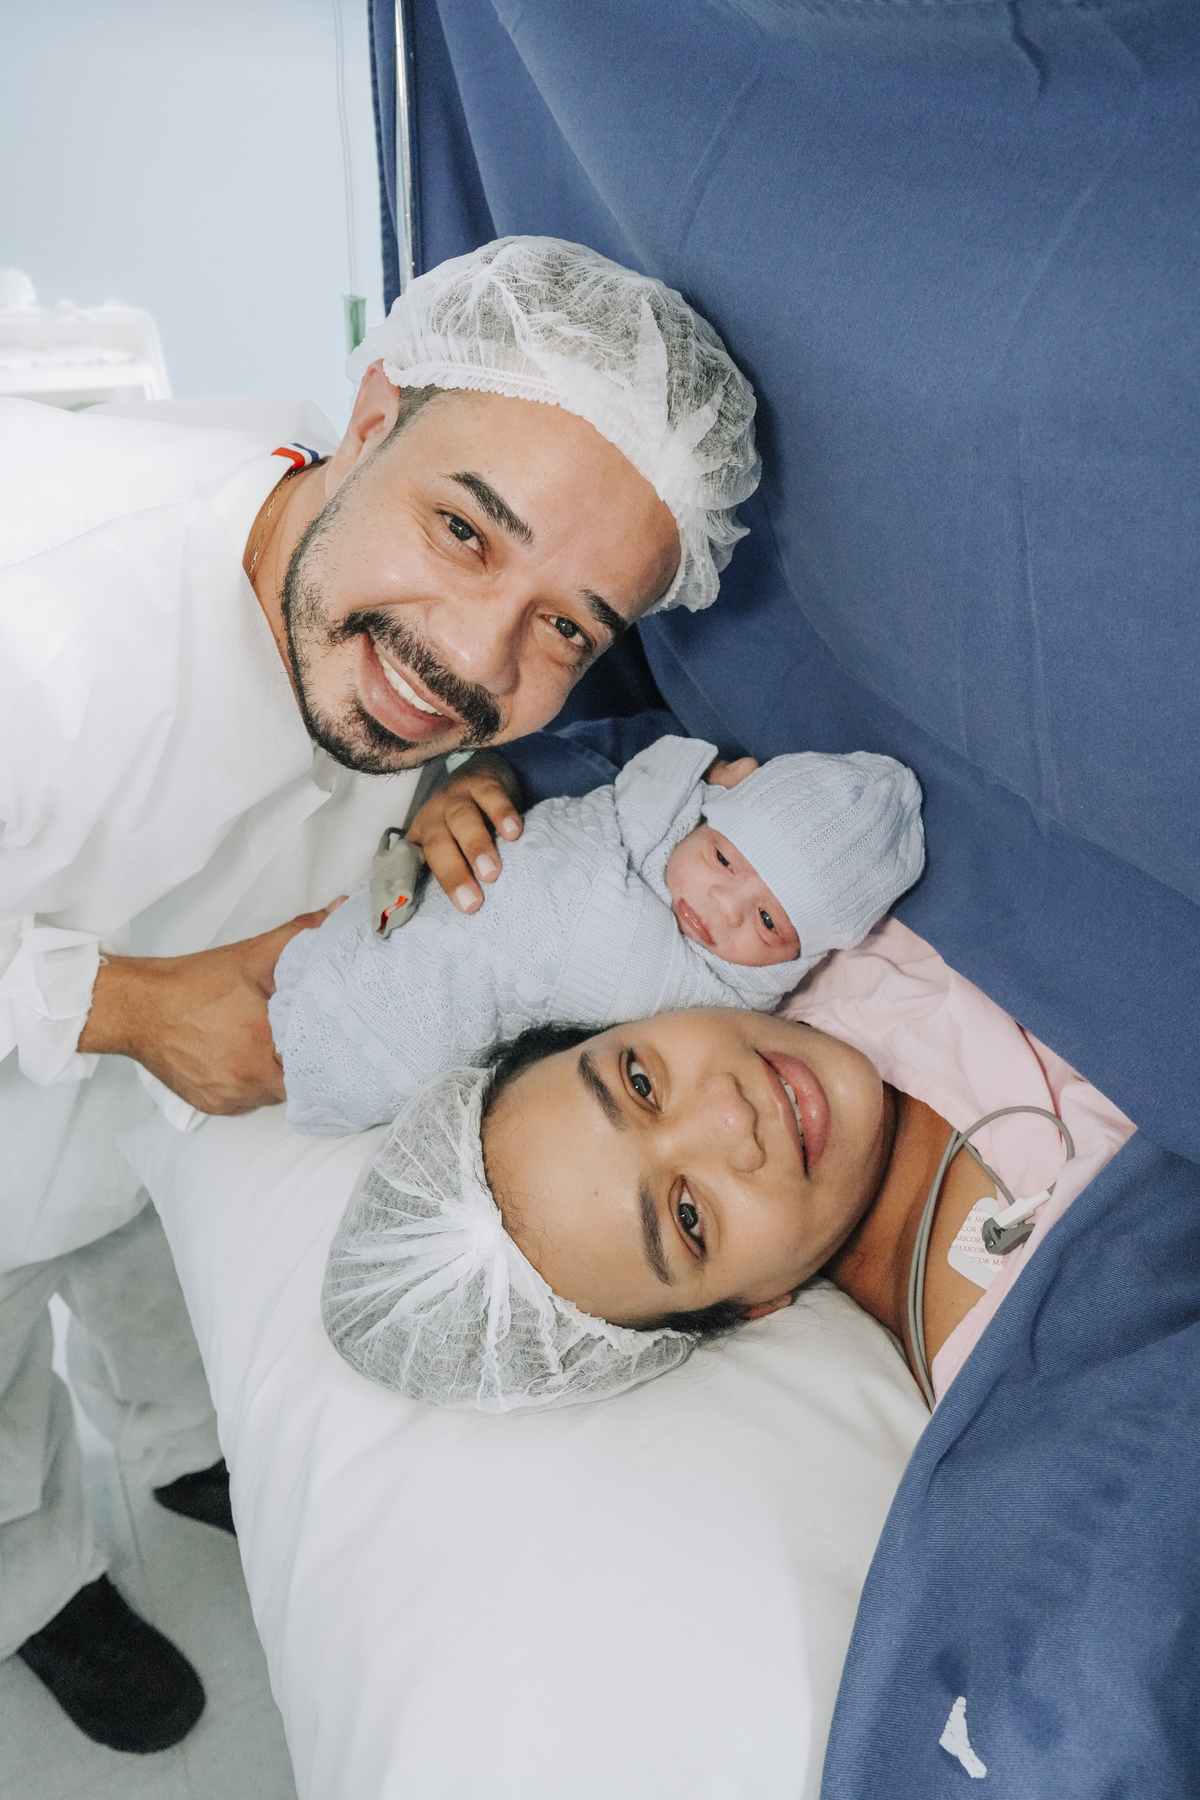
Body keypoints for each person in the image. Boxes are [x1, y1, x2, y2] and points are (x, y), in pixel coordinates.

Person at [0, 236, 759, 1750]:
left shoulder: (353, 544)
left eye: (567, 626)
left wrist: (457, 784)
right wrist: (124, 1006)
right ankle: (43, 1586)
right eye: (467, 533)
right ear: (369, 419)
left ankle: (180, 1448)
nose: (472, 658)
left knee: (142, 1272)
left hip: (137, 1131)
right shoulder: (44, 633)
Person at [320, 920, 1133, 1415]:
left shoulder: (810, 918)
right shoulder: (1044, 1361)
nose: (730, 1114)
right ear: (745, 1310)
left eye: (640, 1082)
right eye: (687, 1217)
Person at [270, 736, 924, 1135]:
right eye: (724, 859)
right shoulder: (633, 813)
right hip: (417, 915)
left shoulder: (713, 999)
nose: (721, 907)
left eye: (769, 922)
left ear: (805, 956)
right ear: (708, 810)